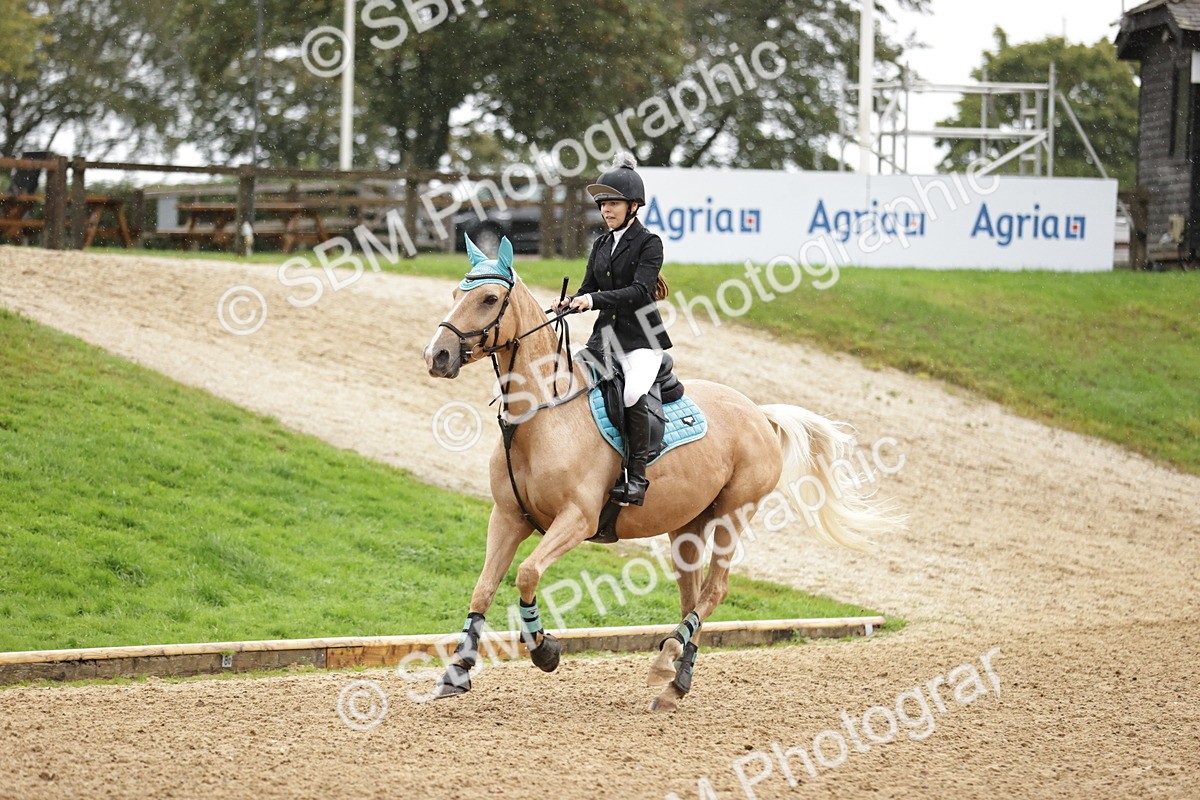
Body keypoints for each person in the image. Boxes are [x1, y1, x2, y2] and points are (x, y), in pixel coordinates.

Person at [557, 153, 672, 507]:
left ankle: (636, 478)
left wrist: (591, 300)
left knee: (632, 393)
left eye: (614, 203)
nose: (606, 210)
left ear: (633, 206)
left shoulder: (649, 243)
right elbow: (588, 287)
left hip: (641, 340)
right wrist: (569, 302)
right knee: (569, 377)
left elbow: (638, 291)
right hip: (603, 340)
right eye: (603, 204)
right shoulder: (601, 244)